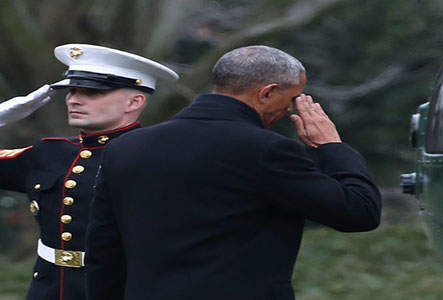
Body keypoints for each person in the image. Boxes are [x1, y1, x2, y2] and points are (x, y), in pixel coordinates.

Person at [85, 45, 382, 300]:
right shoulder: (265, 150)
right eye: (292, 97)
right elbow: (358, 212)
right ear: (267, 93)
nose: (290, 108)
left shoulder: (125, 147)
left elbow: (103, 252)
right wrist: (330, 146)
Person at [0, 44, 178, 300]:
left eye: (92, 92)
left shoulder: (160, 156)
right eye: (72, 91)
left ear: (134, 101)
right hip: (50, 289)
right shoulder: (50, 153)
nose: (75, 99)